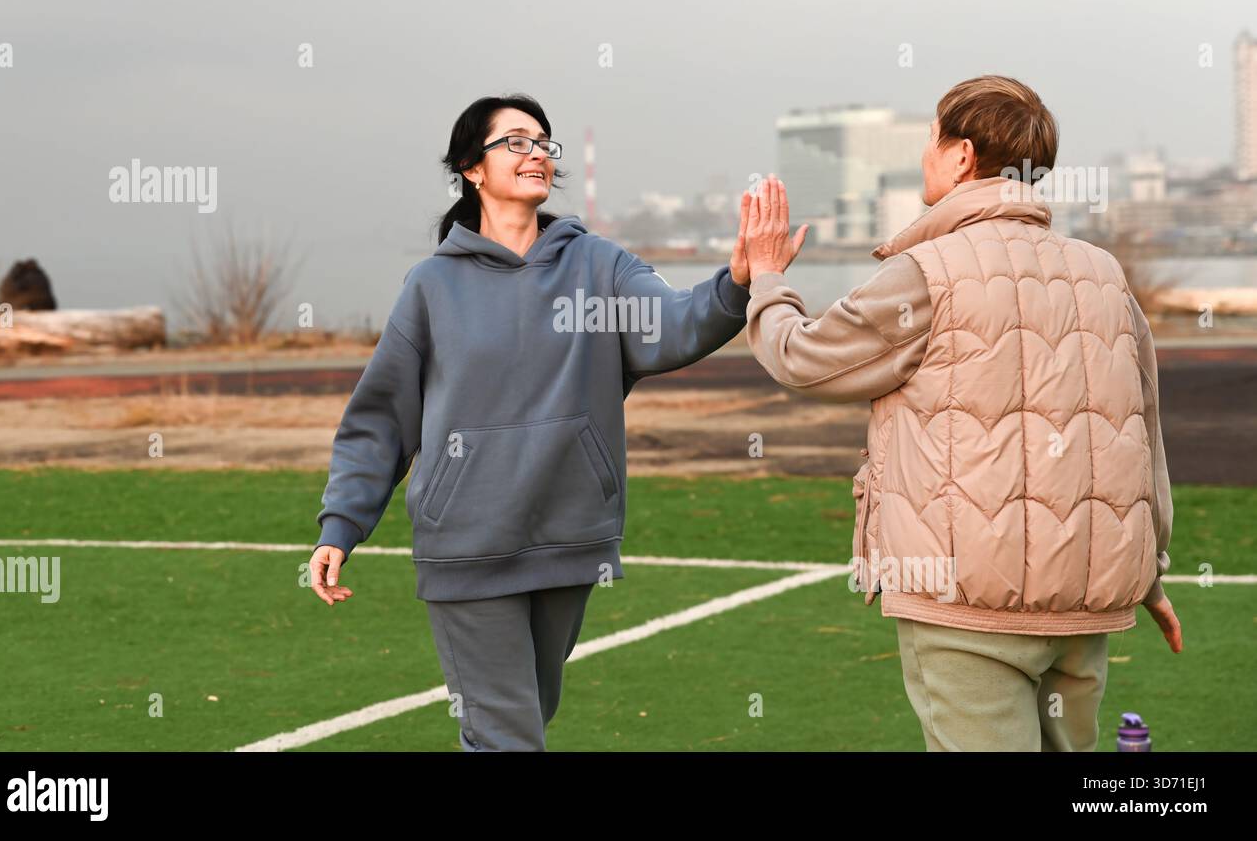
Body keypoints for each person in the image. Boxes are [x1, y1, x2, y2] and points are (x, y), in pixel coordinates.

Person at [741, 75, 1183, 751]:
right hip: (1087, 604)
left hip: (963, 600)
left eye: (931, 140)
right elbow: (1139, 428)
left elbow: (803, 359)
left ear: (960, 156)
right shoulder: (1104, 273)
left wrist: (768, 278)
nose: (925, 156)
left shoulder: (927, 271)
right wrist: (1148, 572)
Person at [308, 93, 758, 751]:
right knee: (506, 736)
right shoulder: (431, 285)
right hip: (467, 542)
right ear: (472, 167)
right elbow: (382, 418)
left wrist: (736, 283)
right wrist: (341, 524)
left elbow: (672, 326)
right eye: (515, 141)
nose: (537, 153)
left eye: (544, 142)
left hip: (569, 537)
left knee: (525, 718)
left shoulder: (598, 264)